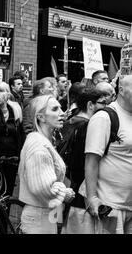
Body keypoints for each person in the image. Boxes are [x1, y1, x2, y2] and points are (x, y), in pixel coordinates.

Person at [80, 74, 132, 234]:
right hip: (109, 205)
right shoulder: (104, 117)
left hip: (128, 204)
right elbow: (91, 160)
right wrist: (92, 197)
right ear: (121, 90)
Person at [18, 95, 75, 234]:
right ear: (41, 117)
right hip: (39, 217)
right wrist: (64, 193)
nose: (62, 113)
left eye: (60, 108)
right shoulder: (39, 146)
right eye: (55, 109)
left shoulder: (42, 140)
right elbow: (41, 188)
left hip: (47, 213)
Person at [59, 89, 105, 234]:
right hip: (80, 192)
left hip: (71, 188)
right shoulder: (87, 126)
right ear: (91, 104)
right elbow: (81, 162)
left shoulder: (70, 122)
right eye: (103, 103)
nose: (107, 106)